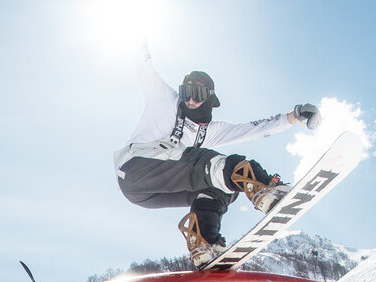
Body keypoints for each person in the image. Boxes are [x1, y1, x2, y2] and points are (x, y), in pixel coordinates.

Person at [115, 41, 322, 267]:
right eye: (186, 92)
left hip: (147, 195)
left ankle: (204, 243)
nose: (190, 100)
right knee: (207, 162)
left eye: (198, 93)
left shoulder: (211, 131)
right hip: (134, 170)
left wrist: (294, 116)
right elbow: (142, 64)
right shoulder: (164, 99)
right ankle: (266, 190)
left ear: (210, 98)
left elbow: (254, 129)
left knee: (224, 186)